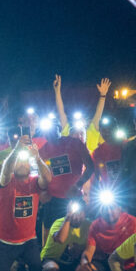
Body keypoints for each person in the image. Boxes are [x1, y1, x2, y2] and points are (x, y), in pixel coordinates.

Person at [0, 133, 52, 271]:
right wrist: (17, 149)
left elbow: (47, 179)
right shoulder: (6, 182)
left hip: (28, 240)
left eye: (25, 161)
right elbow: (6, 168)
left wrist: (37, 158)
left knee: (36, 268)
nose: (22, 164)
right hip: (4, 240)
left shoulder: (34, 182)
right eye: (19, 161)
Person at [39, 81, 96, 232]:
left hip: (74, 198)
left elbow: (91, 167)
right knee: (50, 232)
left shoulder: (75, 143)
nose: (50, 133)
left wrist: (78, 185)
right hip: (53, 199)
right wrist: (42, 191)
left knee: (76, 233)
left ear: (59, 130)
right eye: (47, 131)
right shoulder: (43, 150)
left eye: (54, 129)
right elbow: (38, 173)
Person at [78, 194, 136, 271]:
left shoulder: (133, 222)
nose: (109, 212)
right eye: (105, 208)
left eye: (112, 208)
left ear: (120, 208)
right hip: (105, 264)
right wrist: (85, 263)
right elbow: (88, 251)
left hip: (126, 266)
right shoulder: (96, 225)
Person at [39, 200, 94, 271]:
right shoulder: (59, 223)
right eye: (74, 213)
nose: (77, 216)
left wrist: (80, 249)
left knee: (87, 266)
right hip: (52, 259)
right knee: (52, 269)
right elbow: (61, 239)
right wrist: (68, 219)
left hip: (73, 261)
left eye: (80, 213)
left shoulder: (88, 225)